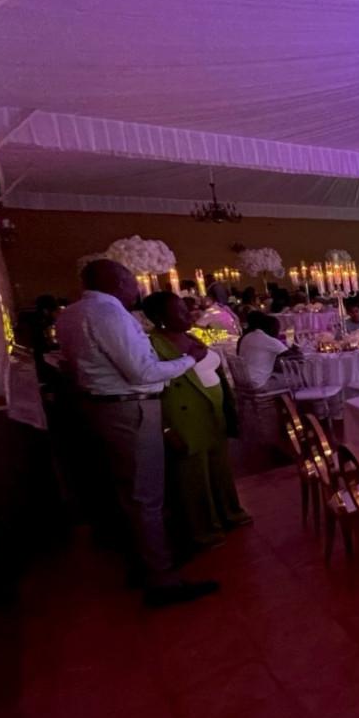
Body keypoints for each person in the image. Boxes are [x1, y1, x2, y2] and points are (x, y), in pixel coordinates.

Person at [54, 259, 219, 606]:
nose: (137, 288)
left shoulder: (69, 314)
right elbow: (142, 373)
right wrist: (189, 357)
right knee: (146, 495)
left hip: (101, 407)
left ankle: (145, 562)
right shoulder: (110, 314)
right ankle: (162, 578)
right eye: (132, 281)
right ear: (116, 281)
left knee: (127, 491)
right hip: (130, 407)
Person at [142, 292, 250, 552]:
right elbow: (152, 388)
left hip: (212, 412)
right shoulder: (153, 345)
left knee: (219, 468)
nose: (187, 314)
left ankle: (228, 513)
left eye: (186, 308)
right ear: (161, 318)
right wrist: (166, 427)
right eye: (179, 310)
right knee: (193, 476)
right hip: (184, 417)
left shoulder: (190, 335)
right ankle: (203, 530)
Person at [237, 311, 297, 390]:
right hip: (259, 383)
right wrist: (295, 347)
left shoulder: (248, 336)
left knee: (280, 372)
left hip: (244, 381)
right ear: (272, 329)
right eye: (277, 329)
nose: (278, 333)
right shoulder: (268, 340)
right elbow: (294, 356)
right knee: (298, 379)